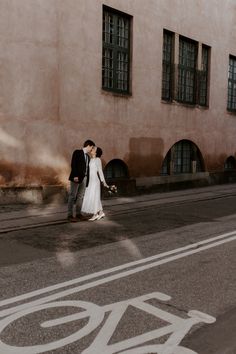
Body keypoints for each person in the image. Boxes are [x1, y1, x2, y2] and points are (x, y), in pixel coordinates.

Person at [67, 139, 95, 222]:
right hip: (77, 177)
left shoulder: (88, 157)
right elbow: (73, 164)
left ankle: (78, 214)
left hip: (84, 178)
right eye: (92, 148)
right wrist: (75, 175)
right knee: (72, 196)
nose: (92, 150)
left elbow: (87, 169)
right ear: (88, 146)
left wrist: (87, 180)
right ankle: (70, 215)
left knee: (80, 197)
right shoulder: (77, 152)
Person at [81, 146, 109, 221]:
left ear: (96, 152)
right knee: (93, 196)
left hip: (95, 181)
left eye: (94, 149)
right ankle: (101, 212)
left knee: (94, 197)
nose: (92, 149)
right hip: (90, 181)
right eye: (92, 148)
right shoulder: (90, 159)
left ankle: (95, 214)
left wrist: (104, 182)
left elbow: (100, 171)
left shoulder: (98, 160)